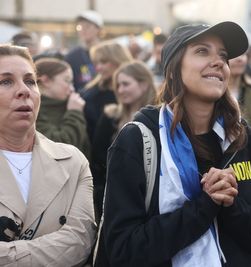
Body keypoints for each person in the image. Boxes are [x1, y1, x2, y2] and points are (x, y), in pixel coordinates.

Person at [96, 21, 251, 266]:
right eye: (202, 51)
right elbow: (123, 250)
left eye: (224, 55)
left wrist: (232, 206)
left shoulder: (244, 140)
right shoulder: (139, 140)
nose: (218, 62)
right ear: (174, 67)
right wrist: (204, 206)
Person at [0, 44, 95, 265]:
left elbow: (80, 241)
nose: (24, 90)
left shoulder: (73, 161)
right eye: (5, 81)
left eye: (30, 81)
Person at [91, 61, 156, 223]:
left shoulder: (159, 118)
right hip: (113, 196)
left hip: (150, 197)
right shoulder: (110, 116)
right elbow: (97, 159)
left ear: (144, 84)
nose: (120, 90)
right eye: (118, 85)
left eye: (126, 84)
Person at [35, 57, 90, 158]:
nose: (72, 88)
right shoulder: (35, 111)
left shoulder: (68, 104)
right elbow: (62, 147)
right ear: (46, 81)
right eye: (67, 80)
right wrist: (74, 113)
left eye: (72, 82)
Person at [81, 40, 133, 142]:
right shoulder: (89, 95)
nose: (98, 68)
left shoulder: (135, 93)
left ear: (118, 61)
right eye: (96, 63)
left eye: (104, 62)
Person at [65, 10, 103, 92]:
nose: (83, 30)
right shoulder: (72, 56)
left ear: (98, 29)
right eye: (80, 27)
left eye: (88, 26)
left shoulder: (107, 53)